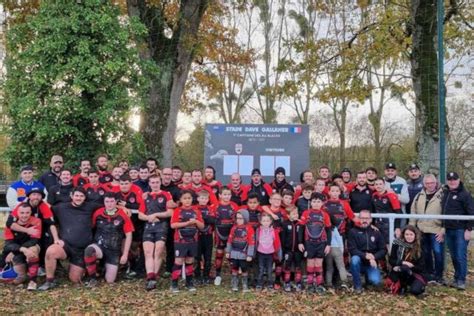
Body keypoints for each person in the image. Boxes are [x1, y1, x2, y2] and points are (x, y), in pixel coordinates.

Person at [38, 187, 102, 290]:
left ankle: (88, 267)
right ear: (71, 196)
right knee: (51, 251)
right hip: (65, 245)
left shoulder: (91, 206)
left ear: (85, 197)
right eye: (76, 195)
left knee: (75, 279)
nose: (78, 198)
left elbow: (109, 205)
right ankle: (49, 281)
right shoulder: (61, 207)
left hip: (82, 249)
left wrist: (124, 208)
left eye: (81, 196)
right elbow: (45, 207)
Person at [84, 193, 134, 287]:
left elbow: (129, 235)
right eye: (107, 201)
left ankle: (105, 267)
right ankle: (92, 278)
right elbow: (91, 227)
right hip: (100, 245)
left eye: (111, 201)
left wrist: (125, 254)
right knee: (89, 250)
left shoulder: (123, 215)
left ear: (116, 202)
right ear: (104, 202)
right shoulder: (98, 212)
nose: (109, 204)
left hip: (114, 250)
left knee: (110, 280)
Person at [7, 188, 59, 274]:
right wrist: (27, 230)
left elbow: (51, 224)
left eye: (39, 195)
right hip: (22, 230)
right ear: (29, 196)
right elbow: (10, 223)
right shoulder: (21, 206)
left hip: (38, 231)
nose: (36, 197)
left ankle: (43, 265)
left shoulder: (43, 205)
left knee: (48, 239)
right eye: (34, 194)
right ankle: (12, 264)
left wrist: (56, 239)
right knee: (13, 246)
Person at [409, 174, 445, 284]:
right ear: (424, 184)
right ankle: (429, 274)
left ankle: (438, 275)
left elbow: (447, 212)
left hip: (436, 230)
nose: (430, 185)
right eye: (427, 183)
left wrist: (443, 229)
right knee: (425, 253)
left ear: (436, 183)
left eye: (432, 183)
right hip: (421, 230)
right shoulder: (419, 195)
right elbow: (413, 212)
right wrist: (412, 227)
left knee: (438, 253)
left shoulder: (442, 195)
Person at [139, 175, 173, 290]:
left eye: (157, 182)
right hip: (148, 226)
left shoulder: (166, 194)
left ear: (160, 182)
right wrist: (149, 217)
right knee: (148, 252)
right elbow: (140, 214)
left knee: (158, 252)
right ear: (149, 184)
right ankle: (150, 277)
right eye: (152, 182)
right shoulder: (145, 196)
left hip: (161, 226)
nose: (155, 184)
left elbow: (170, 212)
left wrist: (156, 215)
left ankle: (154, 278)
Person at [441, 172, 474, 290]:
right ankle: (456, 278)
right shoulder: (445, 193)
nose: (452, 181)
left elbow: (471, 213)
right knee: (454, 256)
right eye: (449, 179)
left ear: (459, 180)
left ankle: (461, 280)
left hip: (461, 230)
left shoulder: (465, 195)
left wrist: (469, 229)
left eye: (454, 179)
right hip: (449, 230)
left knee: (461, 255)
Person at [169, 190, 204, 293]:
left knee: (190, 261)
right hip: (180, 241)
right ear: (180, 200)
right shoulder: (177, 210)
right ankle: (174, 283)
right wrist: (186, 223)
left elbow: (202, 226)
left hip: (193, 240)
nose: (187, 200)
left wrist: (196, 222)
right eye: (185, 198)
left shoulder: (196, 211)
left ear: (192, 199)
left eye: (189, 198)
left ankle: (189, 283)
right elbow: (173, 225)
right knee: (178, 262)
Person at [1, 203, 42, 290]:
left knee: (32, 250)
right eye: (22, 213)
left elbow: (34, 240)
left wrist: (23, 250)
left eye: (27, 212)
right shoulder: (11, 225)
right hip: (17, 250)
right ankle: (23, 274)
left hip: (29, 247)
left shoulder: (36, 221)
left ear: (31, 212)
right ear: (17, 213)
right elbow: (8, 244)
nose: (24, 215)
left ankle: (33, 281)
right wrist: (20, 249)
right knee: (18, 280)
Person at [298, 192, 332, 294]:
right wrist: (300, 242)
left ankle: (319, 284)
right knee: (310, 263)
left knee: (318, 263)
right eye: (314, 201)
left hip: (321, 243)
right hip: (309, 243)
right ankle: (309, 284)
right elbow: (301, 229)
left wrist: (328, 244)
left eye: (318, 202)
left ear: (322, 203)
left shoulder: (324, 215)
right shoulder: (306, 213)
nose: (316, 203)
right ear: (310, 202)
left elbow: (329, 230)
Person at [348, 209, 386, 294]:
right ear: (358, 218)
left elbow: (383, 249)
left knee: (375, 281)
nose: (364, 220)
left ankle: (368, 280)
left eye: (367, 218)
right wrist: (365, 255)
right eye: (362, 218)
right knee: (354, 259)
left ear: (371, 219)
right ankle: (357, 286)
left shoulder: (376, 232)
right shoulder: (353, 232)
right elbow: (352, 249)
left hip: (371, 263)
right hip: (359, 262)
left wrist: (374, 257)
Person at [114, 174, 145, 278]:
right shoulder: (115, 191)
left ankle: (137, 264)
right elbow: (109, 203)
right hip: (121, 223)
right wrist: (121, 208)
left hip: (136, 222)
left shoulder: (137, 189)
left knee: (134, 246)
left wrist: (126, 205)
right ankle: (130, 266)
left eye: (126, 183)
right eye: (122, 184)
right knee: (124, 245)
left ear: (131, 183)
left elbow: (141, 206)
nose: (124, 186)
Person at [386, 225, 427, 296]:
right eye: (407, 234)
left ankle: (418, 286)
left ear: (415, 235)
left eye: (411, 234)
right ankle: (402, 287)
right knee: (403, 269)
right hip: (399, 271)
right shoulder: (397, 243)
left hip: (415, 273)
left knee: (415, 291)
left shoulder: (420, 246)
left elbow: (421, 267)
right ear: (403, 235)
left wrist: (410, 266)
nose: (409, 237)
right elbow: (391, 260)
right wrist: (402, 262)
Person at [213, 186, 238, 286]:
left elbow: (238, 219)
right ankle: (218, 275)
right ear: (220, 195)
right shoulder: (214, 206)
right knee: (219, 254)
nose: (227, 196)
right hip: (219, 233)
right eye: (225, 194)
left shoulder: (234, 206)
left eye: (228, 194)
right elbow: (210, 219)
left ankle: (234, 275)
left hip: (231, 233)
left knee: (232, 255)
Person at [225, 209, 255, 292]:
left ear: (245, 218)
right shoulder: (234, 228)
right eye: (237, 218)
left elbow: (251, 242)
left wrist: (249, 254)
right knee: (234, 267)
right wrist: (228, 251)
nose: (239, 220)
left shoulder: (249, 228)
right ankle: (234, 283)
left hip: (244, 253)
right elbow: (230, 240)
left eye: (241, 218)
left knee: (244, 268)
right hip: (234, 253)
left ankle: (245, 284)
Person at [255, 213, 282, 291]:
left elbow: (277, 242)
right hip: (260, 253)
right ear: (261, 222)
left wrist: (277, 252)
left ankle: (270, 283)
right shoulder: (258, 230)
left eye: (267, 221)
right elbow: (256, 241)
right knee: (261, 269)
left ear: (271, 222)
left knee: (269, 269)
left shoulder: (273, 231)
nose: (266, 222)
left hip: (270, 253)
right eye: (264, 221)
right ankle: (259, 284)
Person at [194, 190, 216, 285]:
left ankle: (206, 276)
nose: (203, 200)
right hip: (197, 236)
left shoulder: (210, 209)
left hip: (208, 235)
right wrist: (204, 218)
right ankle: (197, 276)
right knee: (197, 257)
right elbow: (193, 220)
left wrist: (201, 218)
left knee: (208, 257)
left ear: (208, 199)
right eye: (201, 198)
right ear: (198, 199)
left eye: (205, 198)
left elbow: (212, 220)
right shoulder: (194, 208)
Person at [372, 177, 402, 243]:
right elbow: (374, 210)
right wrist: (372, 224)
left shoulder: (391, 195)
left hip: (389, 225)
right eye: (376, 184)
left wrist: (397, 227)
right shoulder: (374, 196)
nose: (378, 186)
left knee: (390, 244)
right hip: (378, 225)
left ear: (384, 185)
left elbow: (399, 212)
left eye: (380, 184)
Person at [280, 207, 303, 292]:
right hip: (288, 250)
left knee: (298, 267)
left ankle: (298, 283)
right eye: (293, 214)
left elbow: (303, 238)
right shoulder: (285, 224)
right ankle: (287, 283)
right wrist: (283, 250)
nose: (295, 215)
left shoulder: (300, 224)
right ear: (288, 215)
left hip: (298, 250)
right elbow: (283, 238)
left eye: (296, 213)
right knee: (287, 267)